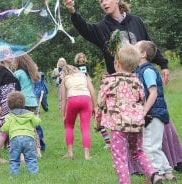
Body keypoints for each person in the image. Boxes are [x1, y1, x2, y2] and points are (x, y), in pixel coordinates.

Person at [64, 0, 169, 84]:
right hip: (120, 81)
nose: (104, 3)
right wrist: (72, 11)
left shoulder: (135, 21)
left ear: (117, 0)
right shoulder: (101, 28)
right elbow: (84, 29)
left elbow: (148, 45)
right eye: (101, 1)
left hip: (142, 75)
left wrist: (163, 64)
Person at [95, 44, 164, 184]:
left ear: (117, 63)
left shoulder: (109, 81)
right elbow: (141, 99)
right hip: (136, 124)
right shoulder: (137, 80)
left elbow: (100, 105)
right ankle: (154, 175)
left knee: (120, 158)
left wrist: (98, 123)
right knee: (138, 152)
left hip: (118, 126)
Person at [134, 41, 177, 181]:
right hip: (153, 113)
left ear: (143, 54)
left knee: (148, 146)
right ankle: (168, 173)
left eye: (135, 48)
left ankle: (156, 174)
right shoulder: (140, 70)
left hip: (154, 113)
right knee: (154, 145)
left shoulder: (147, 71)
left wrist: (144, 111)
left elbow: (153, 93)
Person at [0, 45, 21, 164]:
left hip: (10, 104)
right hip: (4, 104)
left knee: (9, 129)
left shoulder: (7, 70)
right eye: (8, 53)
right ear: (1, 56)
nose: (11, 55)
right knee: (5, 130)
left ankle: (15, 155)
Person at [74, 52, 111, 149]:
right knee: (100, 125)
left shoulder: (108, 89)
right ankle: (108, 142)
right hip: (96, 104)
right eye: (80, 57)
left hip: (106, 108)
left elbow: (87, 75)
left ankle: (114, 142)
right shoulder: (76, 68)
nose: (82, 59)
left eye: (83, 57)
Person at [60, 64, 96, 160]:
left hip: (72, 100)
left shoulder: (64, 79)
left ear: (64, 73)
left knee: (69, 126)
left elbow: (63, 100)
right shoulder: (84, 75)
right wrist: (95, 107)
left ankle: (70, 152)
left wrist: (63, 115)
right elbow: (92, 91)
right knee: (85, 128)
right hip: (86, 99)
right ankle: (87, 155)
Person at [13, 54, 45, 155]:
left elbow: (12, 85)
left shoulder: (18, 73)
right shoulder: (31, 73)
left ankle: (22, 152)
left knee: (22, 127)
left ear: (18, 61)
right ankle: (38, 151)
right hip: (33, 102)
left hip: (22, 102)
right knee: (33, 127)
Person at [1, 91, 41, 175]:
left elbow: (5, 129)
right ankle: (34, 174)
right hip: (29, 139)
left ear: (9, 105)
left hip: (15, 139)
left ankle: (14, 175)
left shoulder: (9, 116)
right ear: (23, 103)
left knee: (14, 159)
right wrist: (37, 117)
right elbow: (36, 123)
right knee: (31, 159)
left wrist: (3, 125)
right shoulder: (30, 114)